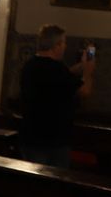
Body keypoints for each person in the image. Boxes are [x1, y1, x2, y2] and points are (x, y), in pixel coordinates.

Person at [18, 24, 94, 168]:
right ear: (56, 46)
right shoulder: (57, 69)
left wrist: (79, 67)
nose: (65, 46)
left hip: (30, 134)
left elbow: (57, 80)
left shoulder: (30, 65)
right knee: (54, 182)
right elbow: (84, 91)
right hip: (53, 139)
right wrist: (88, 72)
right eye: (64, 43)